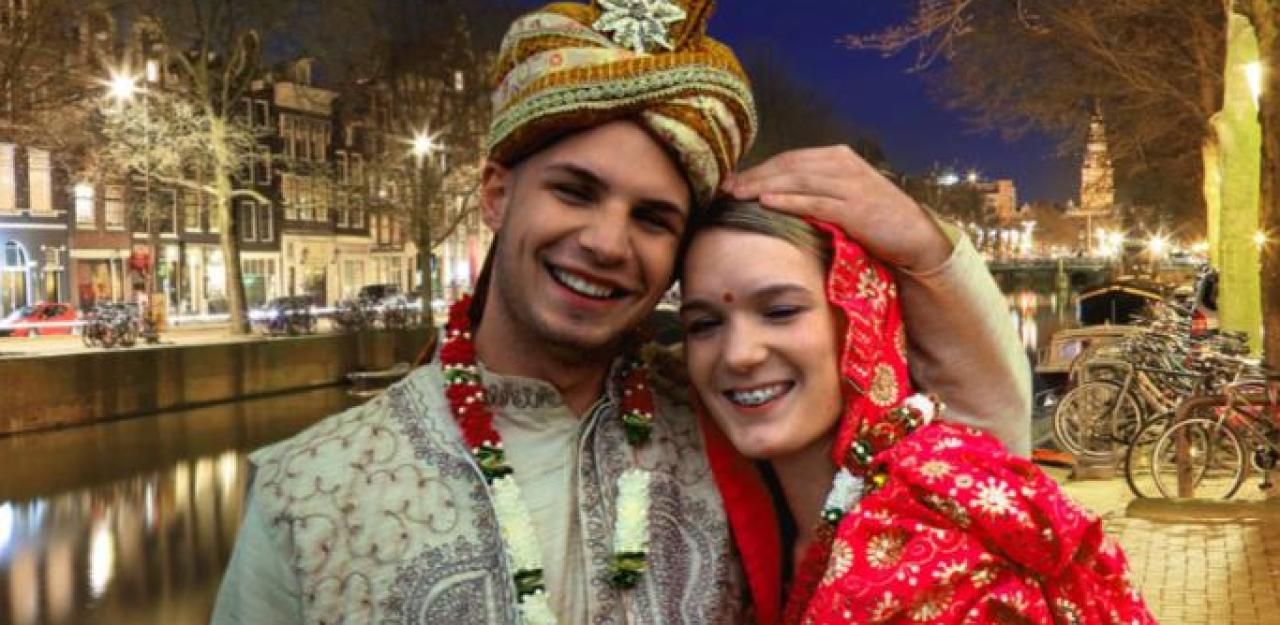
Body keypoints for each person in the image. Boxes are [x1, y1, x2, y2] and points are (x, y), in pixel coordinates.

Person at [210, 1, 1029, 623]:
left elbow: (974, 475)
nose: (607, 242)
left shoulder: (729, 418)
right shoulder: (307, 489)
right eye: (575, 191)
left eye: (653, 218)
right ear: (496, 192)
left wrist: (928, 250)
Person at [680, 200, 1154, 624]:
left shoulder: (943, 543)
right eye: (704, 324)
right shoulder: (722, 526)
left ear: (863, 317)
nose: (739, 354)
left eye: (780, 311)